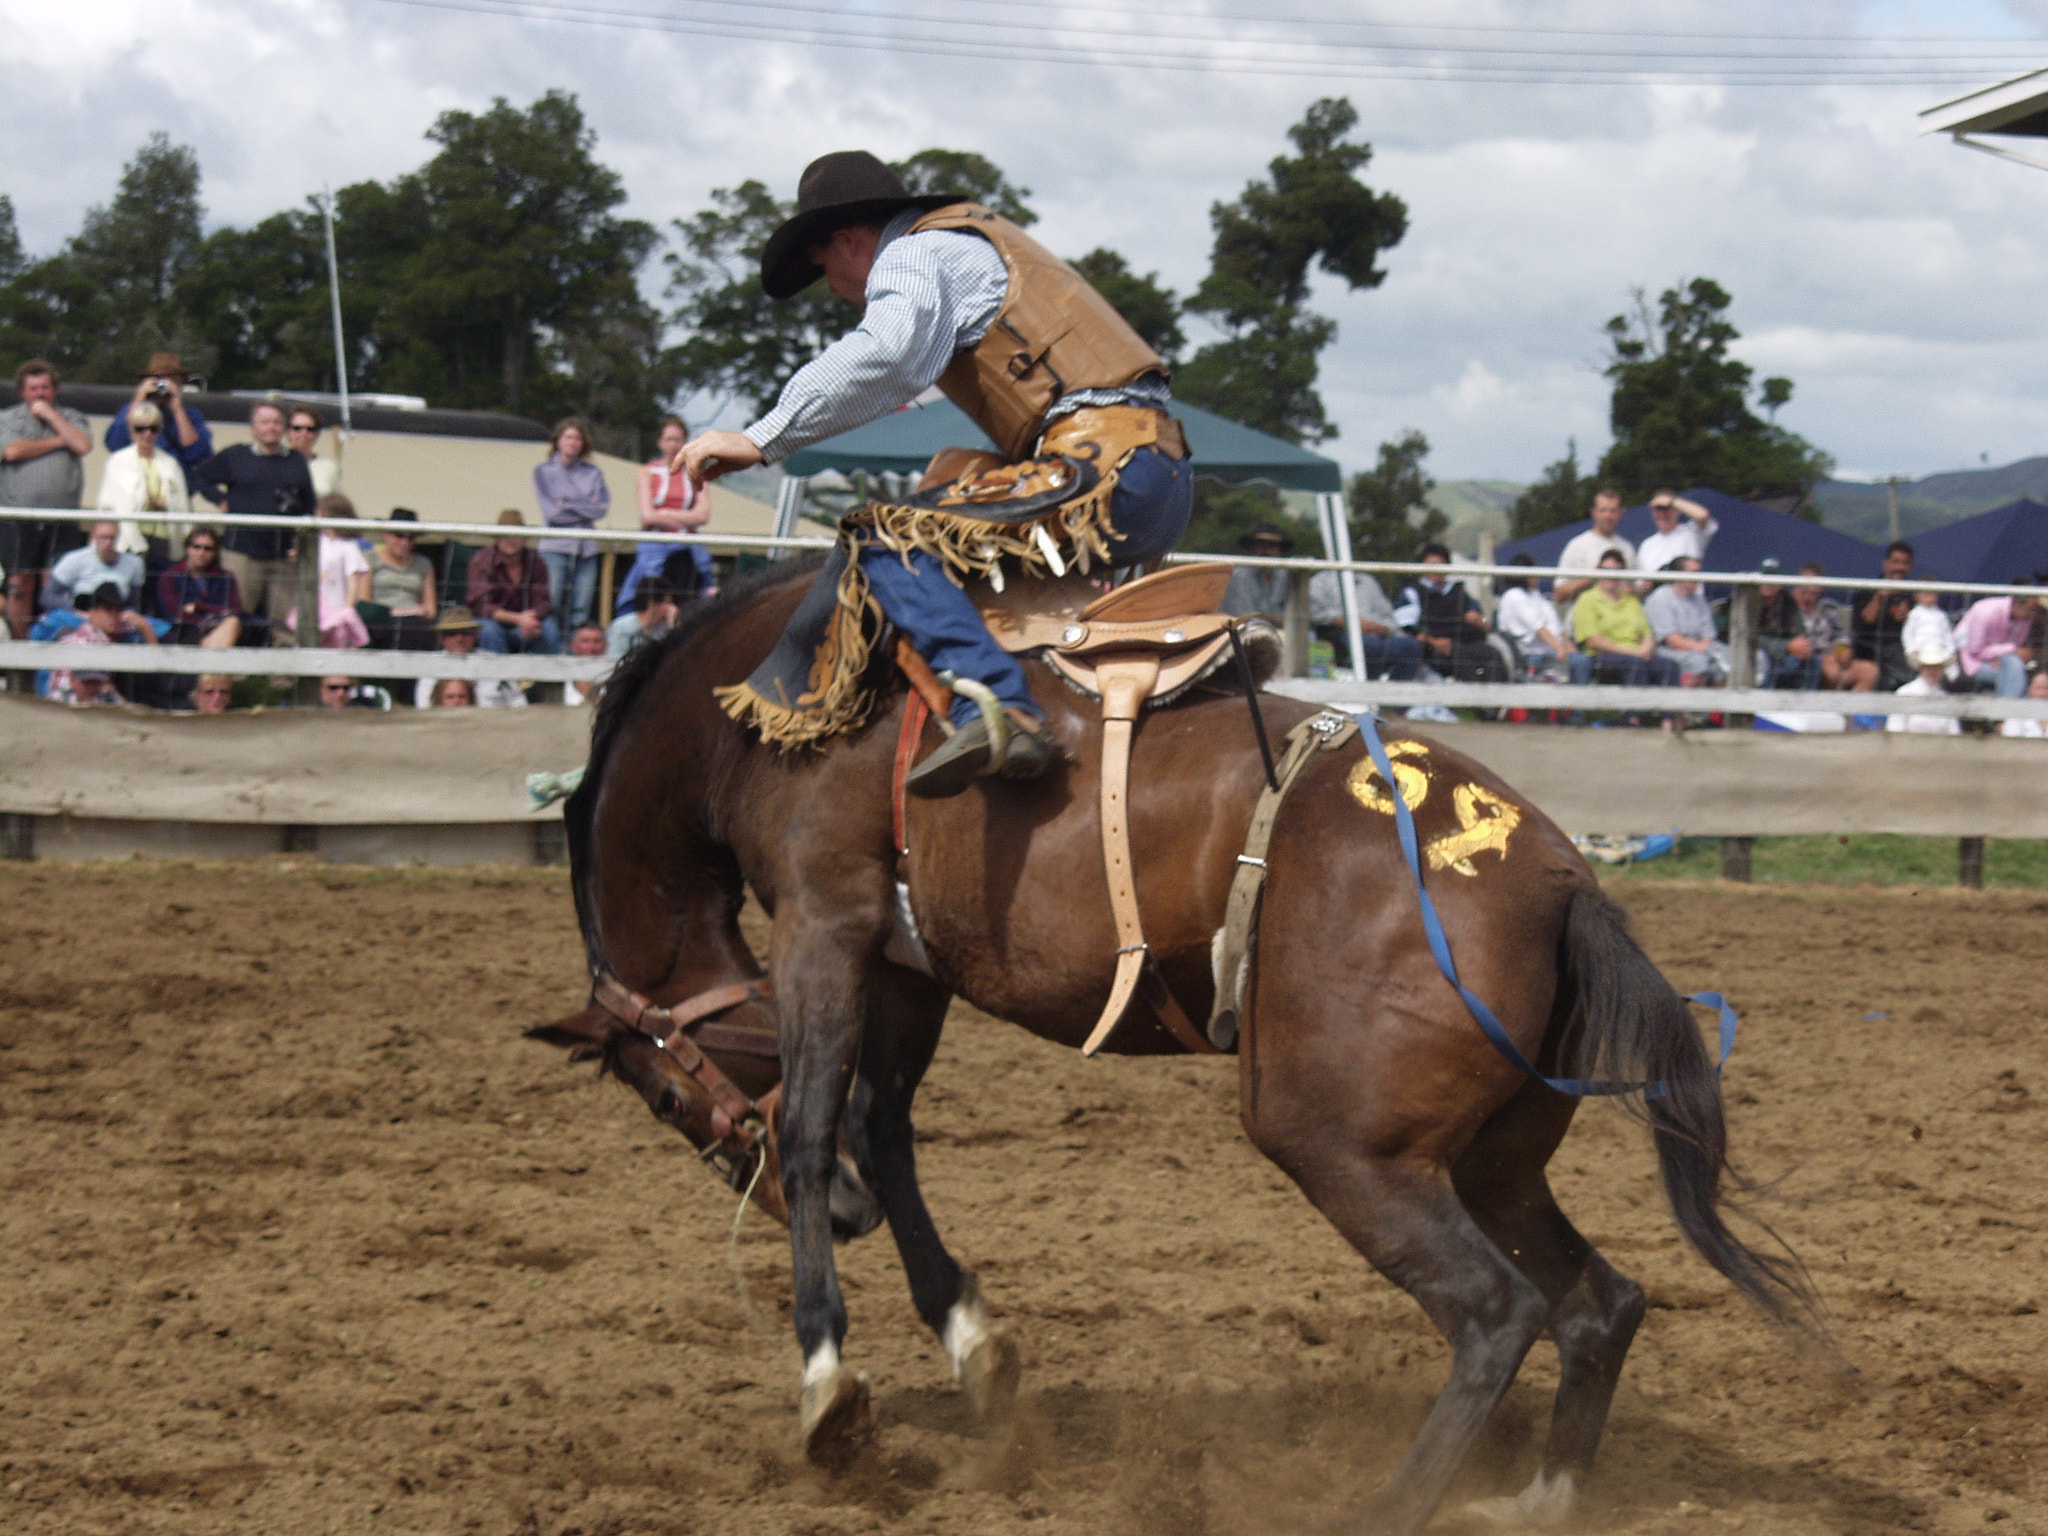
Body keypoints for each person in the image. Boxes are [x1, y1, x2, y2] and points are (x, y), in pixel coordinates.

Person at [677, 150, 1188, 794]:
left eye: (827, 269)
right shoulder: (980, 243)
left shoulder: (917, 253)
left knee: (883, 536)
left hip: (1103, 470)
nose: (835, 290)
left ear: (852, 239)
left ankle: (996, 707)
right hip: (1154, 472)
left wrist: (761, 437)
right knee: (946, 498)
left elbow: (889, 355)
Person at [193, 400, 316, 634]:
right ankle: (230, 670)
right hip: (242, 553)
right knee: (234, 617)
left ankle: (283, 671)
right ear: (254, 428)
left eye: (277, 422)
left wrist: (299, 544)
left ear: (284, 428)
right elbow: (200, 476)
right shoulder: (236, 455)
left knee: (284, 622)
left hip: (283, 555)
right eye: (265, 422)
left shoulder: (296, 461)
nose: (271, 427)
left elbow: (309, 504)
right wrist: (220, 500)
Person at [0, 358, 93, 639]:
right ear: (22, 392)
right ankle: (21, 651)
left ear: (54, 390)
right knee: (20, 584)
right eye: (33, 389)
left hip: (62, 516)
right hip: (19, 516)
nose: (39, 394)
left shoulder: (71, 418)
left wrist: (53, 418)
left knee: (54, 584)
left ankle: (50, 643)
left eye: (45, 388)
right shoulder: (9, 419)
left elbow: (82, 444)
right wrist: (57, 441)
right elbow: (12, 452)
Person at [620, 416, 715, 612]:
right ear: (660, 442)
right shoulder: (647, 472)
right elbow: (647, 516)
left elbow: (703, 515)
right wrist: (685, 517)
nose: (673, 445)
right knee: (647, 586)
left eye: (678, 439)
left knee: (702, 578)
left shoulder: (696, 473)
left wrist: (664, 512)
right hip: (654, 544)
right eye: (669, 439)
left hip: (686, 544)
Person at [535, 416, 608, 630]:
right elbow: (552, 513)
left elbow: (601, 508)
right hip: (555, 548)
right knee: (552, 603)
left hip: (586, 548)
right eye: (568, 437)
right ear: (558, 440)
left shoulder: (593, 473)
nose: (573, 442)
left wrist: (565, 503)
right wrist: (585, 505)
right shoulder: (543, 472)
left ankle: (576, 651)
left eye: (577, 438)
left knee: (581, 608)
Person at [103, 352, 213, 488]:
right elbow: (115, 444)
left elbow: (198, 455)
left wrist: (177, 410)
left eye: (170, 380)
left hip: (175, 489)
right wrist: (139, 399)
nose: (163, 386)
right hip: (135, 487)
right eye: (159, 379)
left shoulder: (191, 416)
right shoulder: (131, 411)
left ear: (180, 383)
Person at [95, 399, 191, 554]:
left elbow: (182, 504)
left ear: (160, 430)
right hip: (128, 541)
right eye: (140, 428)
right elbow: (107, 505)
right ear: (131, 430)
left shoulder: (170, 463)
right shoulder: (118, 461)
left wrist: (162, 503)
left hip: (164, 540)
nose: (147, 434)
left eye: (153, 428)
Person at [1395, 543, 1500, 681]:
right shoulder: (1413, 592)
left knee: (1492, 654)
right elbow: (1407, 628)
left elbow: (1486, 622)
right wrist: (1433, 641)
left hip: (1468, 642)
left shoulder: (1459, 592)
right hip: (1435, 648)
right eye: (1432, 565)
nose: (1436, 570)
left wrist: (1480, 621)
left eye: (1441, 565)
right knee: (1463, 660)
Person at [1570, 550, 1671, 685]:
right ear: (1599, 571)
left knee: (1669, 666)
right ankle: (1638, 706)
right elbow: (1593, 640)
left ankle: (1670, 706)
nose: (1612, 575)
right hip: (1602, 656)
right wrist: (1632, 653)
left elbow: (1648, 635)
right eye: (1607, 570)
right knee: (1635, 665)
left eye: (1617, 571)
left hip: (1636, 655)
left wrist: (1644, 650)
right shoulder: (1587, 599)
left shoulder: (1632, 601)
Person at [44, 582, 156, 703]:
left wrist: (145, 627)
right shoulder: (81, 643)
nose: (114, 616)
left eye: (118, 610)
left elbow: (137, 626)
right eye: (108, 609)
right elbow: (62, 690)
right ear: (92, 611)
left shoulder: (109, 629)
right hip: (71, 701)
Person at [467, 509, 559, 655]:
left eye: (516, 535)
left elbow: (543, 600)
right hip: (496, 623)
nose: (511, 540)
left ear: (524, 538)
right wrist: (517, 619)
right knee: (486, 629)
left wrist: (530, 619)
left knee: (550, 628)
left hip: (528, 623)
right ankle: (499, 677)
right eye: (505, 535)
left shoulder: (535, 561)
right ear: (497, 537)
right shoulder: (482, 560)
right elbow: (482, 605)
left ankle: (539, 677)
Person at [1310, 567, 1421, 680]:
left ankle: (1395, 692)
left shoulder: (1368, 581)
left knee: (1411, 646)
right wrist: (1353, 623)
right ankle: (1369, 685)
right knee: (1370, 645)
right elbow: (1316, 614)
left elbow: (1388, 615)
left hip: (1378, 635)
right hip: (1341, 635)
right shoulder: (1320, 581)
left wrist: (1384, 628)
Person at [1644, 557, 1732, 687]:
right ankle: (1683, 704)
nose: (1697, 578)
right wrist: (1701, 648)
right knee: (1698, 662)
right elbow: (1671, 639)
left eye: (1699, 573)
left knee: (1726, 658)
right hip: (1666, 650)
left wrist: (1704, 648)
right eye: (1693, 572)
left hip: (1698, 648)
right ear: (1679, 575)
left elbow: (1709, 636)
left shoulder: (1699, 600)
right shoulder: (1661, 597)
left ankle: (1718, 705)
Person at [414, 605, 524, 708]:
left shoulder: (495, 663)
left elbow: (517, 702)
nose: (459, 638)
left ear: (475, 635)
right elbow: (424, 705)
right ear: (442, 638)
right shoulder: (431, 665)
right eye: (452, 633)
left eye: (465, 632)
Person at [360, 506, 439, 649]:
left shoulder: (424, 565)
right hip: (380, 620)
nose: (404, 542)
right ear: (386, 534)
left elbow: (431, 609)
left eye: (410, 537)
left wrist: (416, 612)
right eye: (399, 535)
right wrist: (396, 611)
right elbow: (364, 601)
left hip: (414, 623)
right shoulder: (369, 559)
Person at [157, 526, 245, 648]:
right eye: (196, 547)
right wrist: (206, 620)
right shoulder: (170, 576)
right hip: (183, 634)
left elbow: (234, 610)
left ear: (215, 552)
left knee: (233, 622)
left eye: (208, 549)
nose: (201, 553)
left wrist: (198, 607)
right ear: (187, 548)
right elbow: (173, 614)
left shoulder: (225, 577)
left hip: (220, 629)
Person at [1494, 554, 1576, 682]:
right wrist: (1559, 648)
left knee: (1581, 660)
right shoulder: (1514, 596)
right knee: (1579, 663)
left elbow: (1557, 626)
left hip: (1551, 651)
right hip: (1530, 653)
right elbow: (1537, 626)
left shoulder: (1536, 595)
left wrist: (1570, 648)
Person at [304, 494, 370, 648]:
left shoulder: (348, 546)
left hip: (336, 609)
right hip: (315, 606)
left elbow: (353, 580)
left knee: (335, 650)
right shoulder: (318, 542)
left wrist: (347, 610)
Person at [1850, 540, 1916, 692]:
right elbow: (1862, 623)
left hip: (1904, 649)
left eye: (1905, 563)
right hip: (1869, 649)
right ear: (1886, 563)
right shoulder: (1867, 588)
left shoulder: (1913, 593)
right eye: (1896, 562)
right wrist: (1879, 598)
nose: (1900, 567)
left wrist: (1909, 614)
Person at [1955, 580, 2037, 699]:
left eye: (2035, 610)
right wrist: (2012, 650)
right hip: (1971, 661)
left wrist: (2007, 654)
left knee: (2017, 670)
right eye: (2030, 610)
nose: (2033, 615)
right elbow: (1975, 650)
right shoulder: (1984, 612)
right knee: (2013, 670)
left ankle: (2008, 712)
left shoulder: (2025, 619)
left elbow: (2016, 645)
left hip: (2003, 661)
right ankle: (2009, 713)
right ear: (2015, 604)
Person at [1553, 488, 1635, 604]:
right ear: (1593, 512)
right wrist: (1593, 576)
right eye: (1603, 510)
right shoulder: (1577, 545)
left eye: (1613, 511)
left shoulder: (1627, 548)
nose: (1608, 516)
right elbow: (1559, 595)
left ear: (1621, 513)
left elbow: (1634, 591)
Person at [45, 520, 146, 611]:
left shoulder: (134, 563)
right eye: (103, 538)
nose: (108, 543)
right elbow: (48, 597)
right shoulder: (74, 560)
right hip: (79, 618)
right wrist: (74, 610)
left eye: (112, 538)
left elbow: (134, 602)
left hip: (117, 618)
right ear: (93, 537)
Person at [1754, 558, 1821, 690]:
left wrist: (1803, 646)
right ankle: (1763, 706)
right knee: (1764, 658)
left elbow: (1800, 633)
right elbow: (1747, 639)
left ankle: (1805, 706)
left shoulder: (1788, 603)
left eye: (1774, 579)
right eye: (1765, 578)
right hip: (1757, 658)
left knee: (1813, 661)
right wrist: (1787, 646)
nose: (1769, 583)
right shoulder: (1746, 601)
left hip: (1785, 658)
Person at [1633, 490, 1717, 580]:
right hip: (1656, 593)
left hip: (1688, 592)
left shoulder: (1691, 533)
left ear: (1677, 510)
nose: (1662, 514)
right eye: (1658, 509)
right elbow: (1640, 582)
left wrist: (1671, 501)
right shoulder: (1647, 544)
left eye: (1666, 509)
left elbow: (1703, 515)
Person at [1886, 639, 1962, 736]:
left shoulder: (1946, 698)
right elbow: (1895, 729)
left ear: (1942, 670)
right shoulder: (1905, 693)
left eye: (1937, 667)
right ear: (1921, 668)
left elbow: (1954, 733)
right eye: (1929, 667)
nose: (1933, 672)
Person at [1221, 525, 1290, 618]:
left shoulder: (1285, 575)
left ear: (1280, 550)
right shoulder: (1240, 576)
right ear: (1251, 548)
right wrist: (1277, 619)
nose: (1266, 551)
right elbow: (1245, 617)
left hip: (1284, 630)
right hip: (1248, 630)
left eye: (1272, 546)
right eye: (1261, 545)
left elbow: (1298, 614)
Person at [1899, 587, 1958, 685]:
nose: (1930, 598)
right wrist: (1910, 649)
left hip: (1939, 648)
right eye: (1926, 595)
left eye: (1933, 594)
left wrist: (1951, 649)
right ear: (1917, 596)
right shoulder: (1914, 614)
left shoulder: (1941, 615)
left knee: (1951, 664)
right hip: (1920, 648)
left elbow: (1947, 634)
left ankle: (1950, 683)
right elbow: (1907, 634)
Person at [607, 578, 677, 658]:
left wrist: (673, 623)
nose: (671, 607)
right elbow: (613, 656)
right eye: (667, 602)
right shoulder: (621, 626)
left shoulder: (667, 626)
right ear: (652, 604)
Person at [286, 406, 339, 498]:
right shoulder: (275, 462)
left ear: (317, 434)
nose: (304, 433)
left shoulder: (329, 467)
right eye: (297, 428)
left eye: (310, 429)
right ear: (287, 431)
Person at [562, 620, 609, 707]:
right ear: (573, 646)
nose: (591, 647)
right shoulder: (560, 680)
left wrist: (591, 695)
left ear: (606, 646)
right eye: (585, 641)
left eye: (597, 641)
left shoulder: (614, 680)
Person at [1998, 668, 2048, 739]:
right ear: (2030, 690)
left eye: (2046, 688)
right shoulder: (2018, 712)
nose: (2042, 694)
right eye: (2038, 688)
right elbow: (2010, 740)